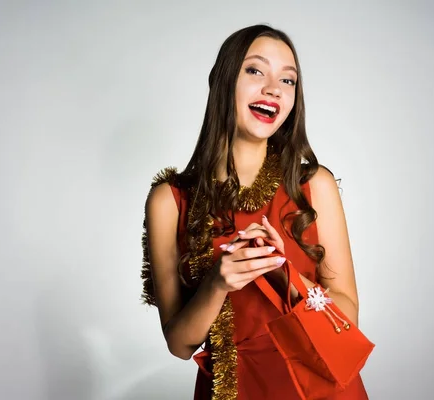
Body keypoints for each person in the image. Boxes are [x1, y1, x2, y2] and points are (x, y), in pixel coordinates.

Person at [142, 24, 369, 399]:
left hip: (323, 390)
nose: (273, 88)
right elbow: (179, 344)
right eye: (255, 70)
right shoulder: (170, 200)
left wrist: (286, 274)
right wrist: (218, 283)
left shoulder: (314, 186)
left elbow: (347, 314)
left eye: (288, 80)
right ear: (222, 80)